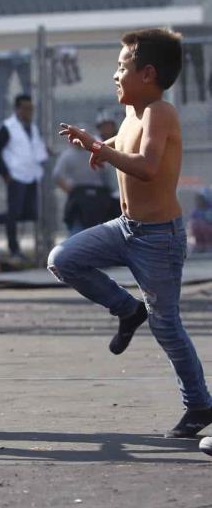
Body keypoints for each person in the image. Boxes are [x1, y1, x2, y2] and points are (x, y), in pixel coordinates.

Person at [53, 28, 212, 438]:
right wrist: (99, 145)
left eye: (121, 67)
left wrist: (102, 150)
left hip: (159, 238)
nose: (115, 75)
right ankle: (126, 308)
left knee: (167, 326)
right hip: (125, 228)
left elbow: (146, 166)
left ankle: (199, 406)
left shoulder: (161, 111)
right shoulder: (131, 112)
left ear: (148, 74)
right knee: (64, 259)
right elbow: (124, 141)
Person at [0, 94, 48, 260]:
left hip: (31, 175)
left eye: (31, 109)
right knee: (14, 213)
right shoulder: (8, 127)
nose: (29, 112)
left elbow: (34, 148)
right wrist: (4, 172)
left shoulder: (32, 127)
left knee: (30, 213)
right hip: (16, 176)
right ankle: (14, 249)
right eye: (25, 109)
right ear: (17, 109)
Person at [53, 111, 119, 235]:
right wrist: (72, 190)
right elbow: (57, 175)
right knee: (78, 231)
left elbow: (108, 176)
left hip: (100, 197)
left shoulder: (97, 150)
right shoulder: (68, 155)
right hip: (80, 197)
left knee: (102, 231)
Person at [190, 188, 212, 252]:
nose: (199, 201)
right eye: (198, 199)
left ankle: (208, 245)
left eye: (201, 199)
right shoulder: (196, 211)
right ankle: (200, 245)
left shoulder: (210, 209)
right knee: (196, 224)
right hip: (200, 238)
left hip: (209, 234)